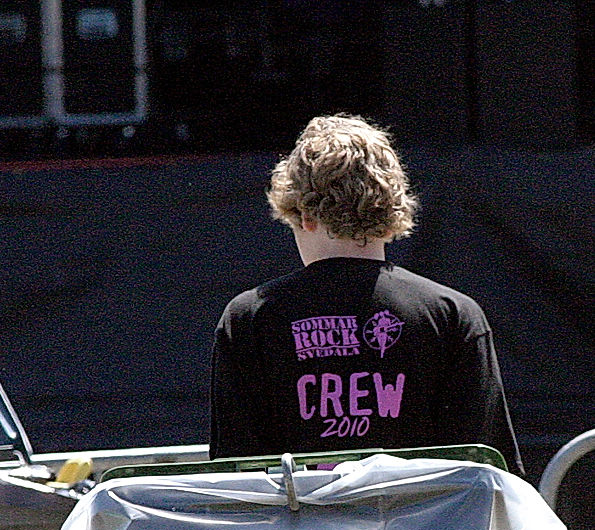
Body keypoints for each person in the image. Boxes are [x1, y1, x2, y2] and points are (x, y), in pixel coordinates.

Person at [209, 113, 524, 474]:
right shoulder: (453, 314)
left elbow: (236, 477)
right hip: (425, 529)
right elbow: (489, 470)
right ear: (390, 208)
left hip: (295, 529)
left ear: (304, 214)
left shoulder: (250, 318)